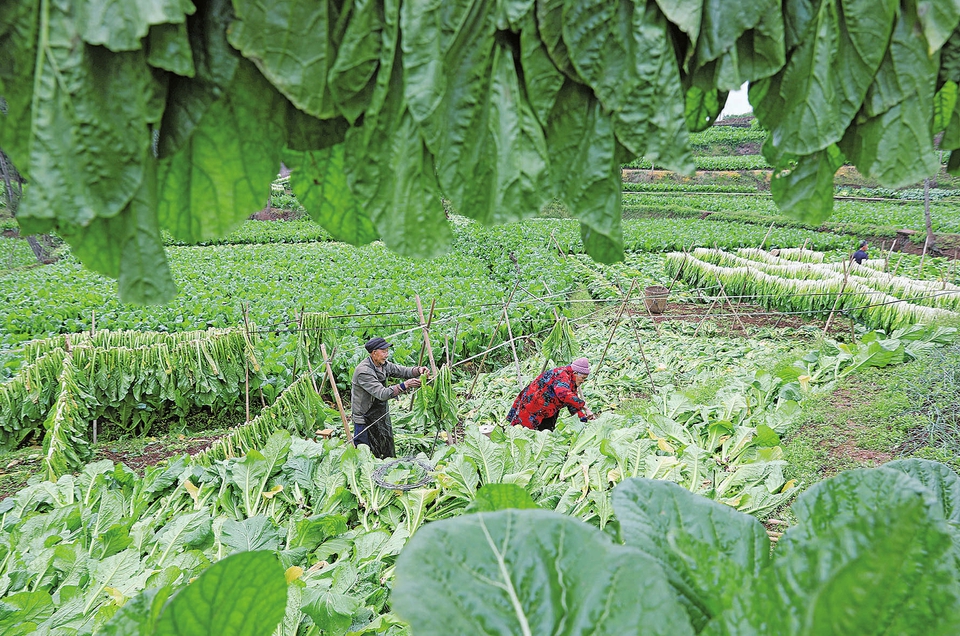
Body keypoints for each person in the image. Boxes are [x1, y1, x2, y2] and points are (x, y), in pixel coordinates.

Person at [351, 337, 429, 458]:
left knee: (384, 449)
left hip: (380, 414)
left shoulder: (383, 364)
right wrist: (405, 385)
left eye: (387, 351)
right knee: (365, 455)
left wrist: (418, 370)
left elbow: (401, 371)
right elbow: (382, 394)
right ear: (374, 353)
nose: (386, 354)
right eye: (384, 351)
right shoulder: (364, 371)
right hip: (365, 419)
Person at [507, 357, 596, 431]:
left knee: (545, 435)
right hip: (533, 406)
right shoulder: (562, 375)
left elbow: (571, 403)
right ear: (575, 373)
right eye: (583, 378)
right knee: (524, 433)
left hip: (547, 409)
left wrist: (584, 420)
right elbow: (563, 393)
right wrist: (585, 407)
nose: (583, 381)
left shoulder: (571, 381)